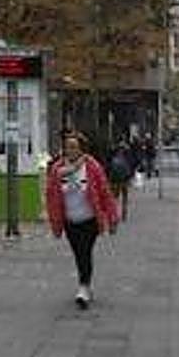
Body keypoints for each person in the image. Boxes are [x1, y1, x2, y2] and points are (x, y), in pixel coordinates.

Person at [46, 131, 119, 308]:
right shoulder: (57, 170)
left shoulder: (92, 166)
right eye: (67, 147)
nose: (70, 150)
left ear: (81, 149)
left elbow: (104, 192)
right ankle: (85, 284)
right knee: (79, 253)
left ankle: (83, 287)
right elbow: (51, 196)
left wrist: (112, 217)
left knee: (85, 251)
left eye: (74, 147)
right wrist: (54, 221)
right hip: (71, 221)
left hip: (90, 220)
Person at [107, 140, 134, 221]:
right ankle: (124, 214)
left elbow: (108, 167)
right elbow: (131, 165)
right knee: (125, 197)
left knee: (115, 198)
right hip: (125, 179)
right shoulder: (127, 156)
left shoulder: (113, 156)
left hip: (115, 180)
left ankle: (115, 214)